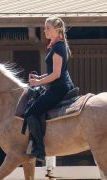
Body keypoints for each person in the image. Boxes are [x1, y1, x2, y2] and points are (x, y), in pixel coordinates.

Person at [25, 15, 74, 162]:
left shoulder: (58, 47)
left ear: (57, 29)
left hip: (59, 88)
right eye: (44, 27)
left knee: (30, 112)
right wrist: (40, 78)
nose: (45, 30)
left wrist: (38, 83)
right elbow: (53, 72)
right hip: (60, 86)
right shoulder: (57, 45)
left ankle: (39, 149)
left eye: (48, 28)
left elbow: (56, 74)